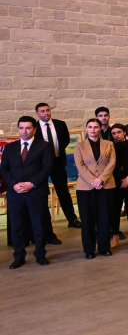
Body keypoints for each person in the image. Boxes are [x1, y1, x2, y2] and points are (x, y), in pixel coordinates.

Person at [3, 116, 54, 268]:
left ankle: (40, 255)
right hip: (15, 193)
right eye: (21, 128)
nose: (24, 131)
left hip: (36, 192)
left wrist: (32, 184)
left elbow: (47, 168)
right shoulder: (10, 148)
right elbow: (4, 169)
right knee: (17, 226)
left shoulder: (44, 146)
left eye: (28, 128)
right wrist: (14, 185)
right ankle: (19, 256)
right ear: (18, 129)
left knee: (39, 225)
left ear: (34, 129)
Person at [74, 119, 117, 259]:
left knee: (104, 218)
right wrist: (93, 181)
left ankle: (104, 247)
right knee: (87, 219)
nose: (93, 129)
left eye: (96, 127)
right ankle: (89, 249)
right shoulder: (79, 146)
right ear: (86, 128)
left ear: (100, 129)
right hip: (85, 187)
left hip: (106, 185)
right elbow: (80, 165)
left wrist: (101, 179)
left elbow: (112, 163)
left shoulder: (109, 144)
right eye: (90, 127)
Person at [34, 103, 79, 228]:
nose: (46, 113)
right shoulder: (34, 127)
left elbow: (66, 140)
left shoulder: (60, 124)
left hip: (58, 162)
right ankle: (44, 224)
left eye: (47, 110)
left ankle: (72, 219)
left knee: (63, 192)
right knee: (41, 193)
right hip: (41, 165)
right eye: (42, 111)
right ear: (37, 113)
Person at [109, 125, 128, 247]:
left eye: (119, 132)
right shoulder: (110, 147)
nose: (116, 135)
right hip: (115, 181)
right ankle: (115, 235)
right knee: (115, 209)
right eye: (114, 133)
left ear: (124, 132)